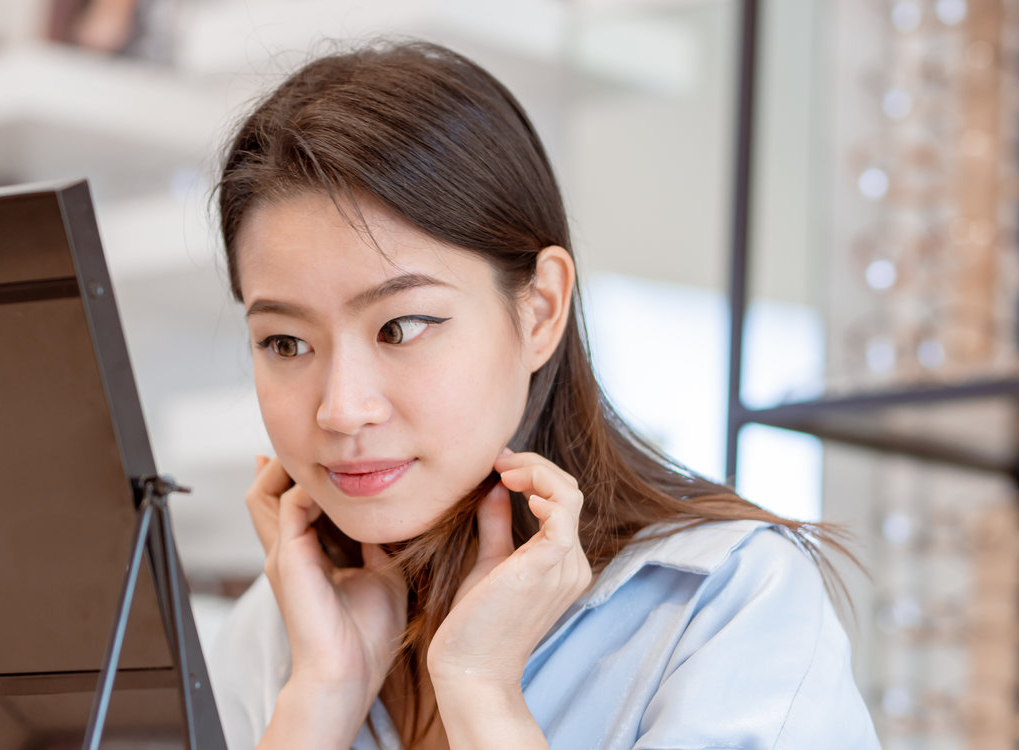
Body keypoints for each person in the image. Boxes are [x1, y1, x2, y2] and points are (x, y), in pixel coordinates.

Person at [207, 40, 880, 750]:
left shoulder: (726, 604)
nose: (341, 409)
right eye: (285, 343)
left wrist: (481, 692)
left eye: (400, 328)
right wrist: (321, 695)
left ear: (540, 310)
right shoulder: (275, 635)